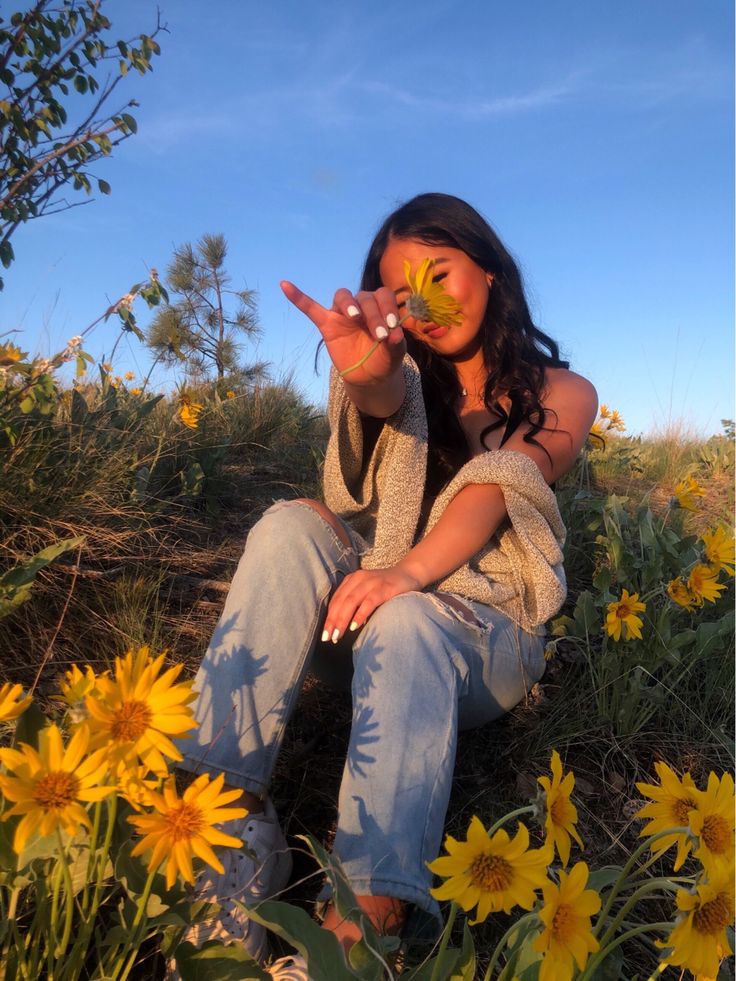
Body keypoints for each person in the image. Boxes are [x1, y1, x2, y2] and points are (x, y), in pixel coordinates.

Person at [173, 192, 598, 980]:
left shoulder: (561, 391)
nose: (428, 302)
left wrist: (403, 573)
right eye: (405, 294)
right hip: (372, 618)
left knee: (406, 618)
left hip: (483, 639)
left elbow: (504, 478)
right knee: (290, 523)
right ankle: (217, 831)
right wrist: (367, 368)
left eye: (441, 273)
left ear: (492, 270)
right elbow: (376, 393)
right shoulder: (406, 379)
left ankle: (363, 927)